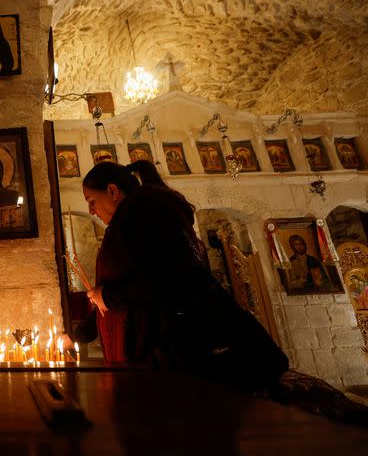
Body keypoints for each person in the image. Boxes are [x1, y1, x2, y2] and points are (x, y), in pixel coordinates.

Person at [65, 160, 288, 392]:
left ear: (112, 191)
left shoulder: (142, 217)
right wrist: (80, 334)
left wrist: (107, 296)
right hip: (151, 351)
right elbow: (123, 286)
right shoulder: (135, 217)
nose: (91, 211)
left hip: (163, 352)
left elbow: (163, 279)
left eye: (92, 201)